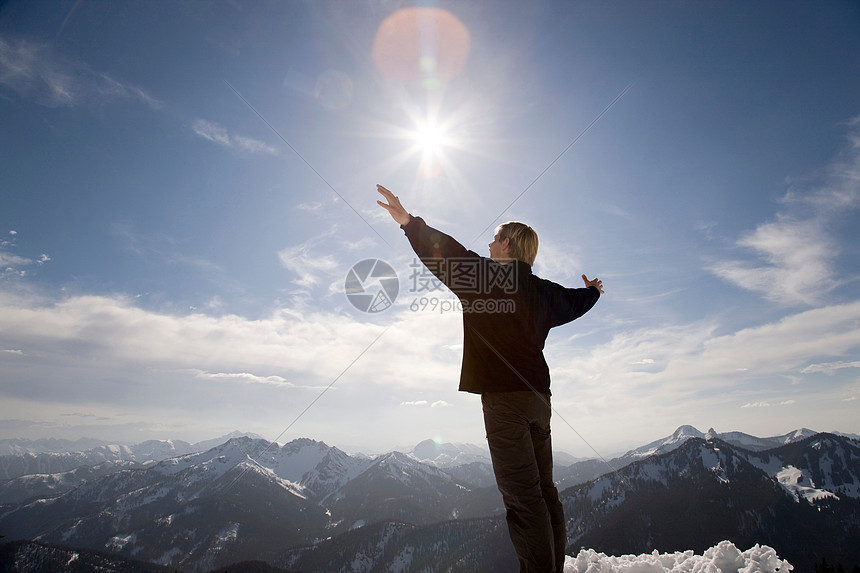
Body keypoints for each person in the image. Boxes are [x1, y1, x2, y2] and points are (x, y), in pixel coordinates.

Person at [376, 184, 603, 573]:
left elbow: (445, 253)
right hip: (539, 401)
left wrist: (409, 224)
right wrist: (593, 292)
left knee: (524, 501)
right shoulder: (545, 292)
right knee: (546, 494)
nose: (490, 242)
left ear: (509, 244)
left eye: (496, 237)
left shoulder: (483, 277)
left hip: (505, 403)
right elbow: (576, 302)